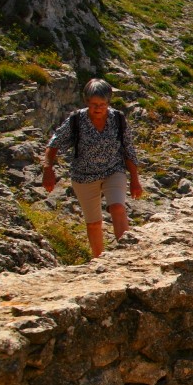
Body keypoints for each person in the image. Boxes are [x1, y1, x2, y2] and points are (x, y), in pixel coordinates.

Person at [43, 78, 143, 257]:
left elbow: (128, 149)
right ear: (86, 102)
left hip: (113, 170)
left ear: (109, 102)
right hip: (83, 176)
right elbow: (54, 142)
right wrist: (48, 169)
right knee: (93, 223)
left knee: (118, 208)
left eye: (102, 104)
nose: (98, 108)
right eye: (94, 104)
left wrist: (135, 179)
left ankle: (127, 255)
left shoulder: (118, 119)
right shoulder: (76, 120)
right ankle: (99, 260)